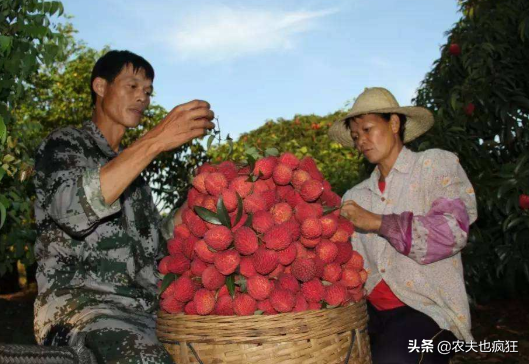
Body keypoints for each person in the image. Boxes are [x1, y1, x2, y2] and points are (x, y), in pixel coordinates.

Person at [33, 50, 215, 363]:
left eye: (147, 91)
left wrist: (202, 197)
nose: (142, 98)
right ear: (100, 87)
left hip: (147, 315)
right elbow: (71, 211)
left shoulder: (136, 179)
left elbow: (161, 248)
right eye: (132, 86)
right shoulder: (65, 145)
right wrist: (155, 140)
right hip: (82, 310)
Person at [328, 87, 477, 364]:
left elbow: (453, 232)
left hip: (427, 310)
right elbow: (349, 264)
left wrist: (377, 222)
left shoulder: (434, 165)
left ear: (394, 123)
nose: (361, 141)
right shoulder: (355, 196)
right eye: (356, 136)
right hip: (370, 314)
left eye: (367, 129)